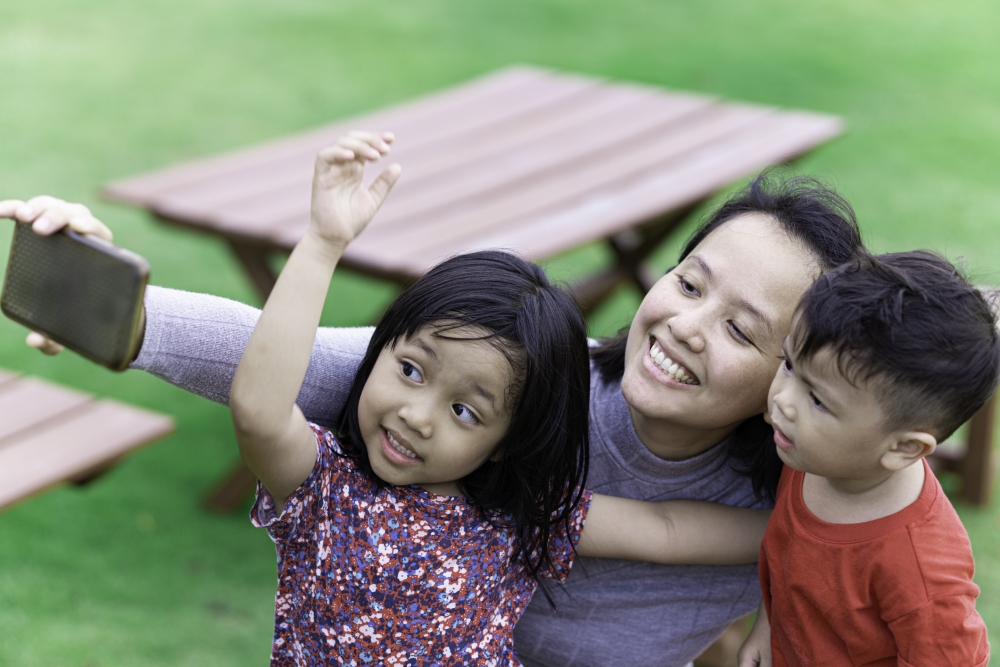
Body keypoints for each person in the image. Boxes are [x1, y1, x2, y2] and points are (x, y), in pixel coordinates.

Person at [1, 164, 864, 666]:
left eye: (741, 328)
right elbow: (278, 373)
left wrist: (795, 567)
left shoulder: (805, 486)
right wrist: (112, 308)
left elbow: (691, 540)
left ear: (793, 374)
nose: (685, 323)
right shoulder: (523, 423)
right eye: (688, 282)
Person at [737, 252, 994, 667]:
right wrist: (767, 630)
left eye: (818, 400)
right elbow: (790, 568)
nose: (782, 401)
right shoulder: (812, 454)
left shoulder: (920, 567)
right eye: (789, 364)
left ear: (903, 448)